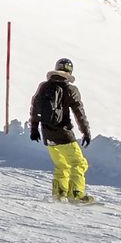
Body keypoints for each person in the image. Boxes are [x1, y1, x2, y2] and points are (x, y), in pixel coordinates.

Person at [28, 57, 94, 203]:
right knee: (79, 163)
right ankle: (77, 194)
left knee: (61, 165)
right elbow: (79, 112)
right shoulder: (70, 89)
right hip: (64, 134)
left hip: (47, 134)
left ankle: (59, 193)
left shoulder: (44, 86)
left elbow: (35, 107)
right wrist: (85, 131)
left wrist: (34, 129)